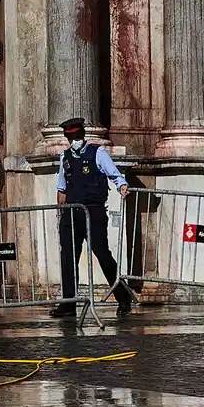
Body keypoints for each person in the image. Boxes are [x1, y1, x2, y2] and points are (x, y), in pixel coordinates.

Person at [50, 116, 136, 318]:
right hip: (72, 212)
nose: (75, 141)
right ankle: (69, 303)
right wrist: (59, 213)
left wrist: (122, 186)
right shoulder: (65, 158)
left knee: (102, 254)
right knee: (68, 257)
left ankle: (122, 296)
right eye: (71, 138)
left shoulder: (98, 153)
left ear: (83, 135)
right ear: (67, 138)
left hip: (93, 212)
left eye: (78, 136)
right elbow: (61, 188)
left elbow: (114, 174)